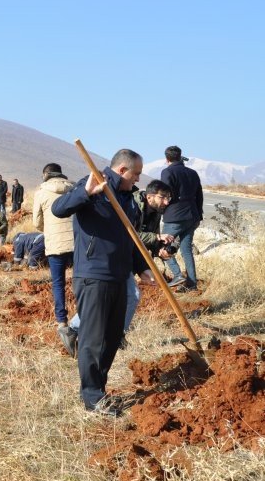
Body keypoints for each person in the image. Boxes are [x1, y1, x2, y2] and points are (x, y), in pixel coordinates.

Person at [51, 149, 153, 416]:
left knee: (111, 336)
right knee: (92, 339)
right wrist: (85, 193)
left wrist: (141, 268)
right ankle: (92, 397)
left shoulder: (128, 200)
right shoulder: (92, 185)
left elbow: (129, 239)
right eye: (136, 174)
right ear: (122, 170)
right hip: (93, 275)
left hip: (120, 277)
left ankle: (99, 389)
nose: (138, 180)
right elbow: (58, 209)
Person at [69, 180, 176, 341]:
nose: (167, 202)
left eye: (169, 198)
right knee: (127, 295)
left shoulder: (156, 212)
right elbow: (128, 234)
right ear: (149, 197)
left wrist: (159, 249)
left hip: (129, 258)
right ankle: (108, 334)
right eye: (163, 197)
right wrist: (156, 237)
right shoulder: (131, 205)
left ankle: (86, 330)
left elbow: (149, 238)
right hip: (113, 257)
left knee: (115, 297)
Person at [32, 163, 76, 355]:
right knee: (80, 280)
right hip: (77, 243)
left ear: (45, 175)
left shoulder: (41, 192)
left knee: (58, 283)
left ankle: (62, 322)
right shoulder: (73, 188)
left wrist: (49, 229)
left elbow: (36, 222)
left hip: (55, 244)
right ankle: (84, 318)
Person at [161, 146, 203, 291]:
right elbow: (199, 195)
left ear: (167, 159)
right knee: (186, 250)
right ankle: (192, 285)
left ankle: (178, 275)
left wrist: (160, 211)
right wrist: (198, 216)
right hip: (192, 215)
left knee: (162, 247)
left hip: (174, 216)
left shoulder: (167, 172)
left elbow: (165, 194)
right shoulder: (192, 173)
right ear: (180, 156)